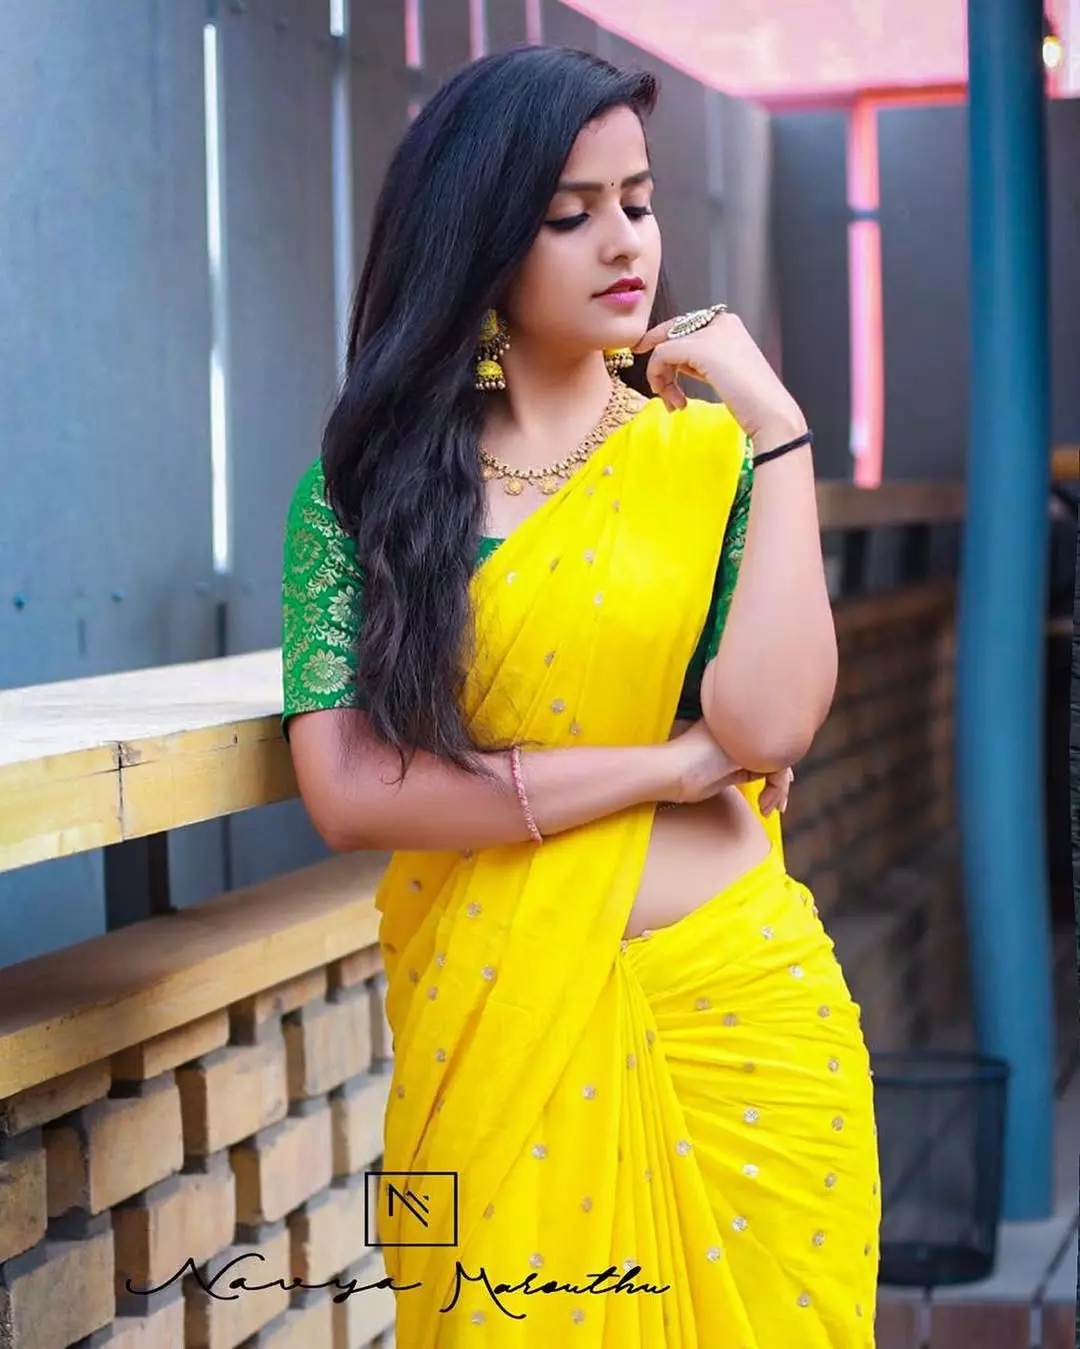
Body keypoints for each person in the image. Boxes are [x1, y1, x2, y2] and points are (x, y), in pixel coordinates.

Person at [280, 43, 880, 1349]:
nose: (625, 241)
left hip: (743, 1018)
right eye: (571, 214)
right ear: (481, 240)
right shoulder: (365, 493)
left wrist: (778, 431)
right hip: (496, 1029)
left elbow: (772, 727)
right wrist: (669, 769)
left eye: (639, 202)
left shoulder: (707, 459)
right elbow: (350, 789)